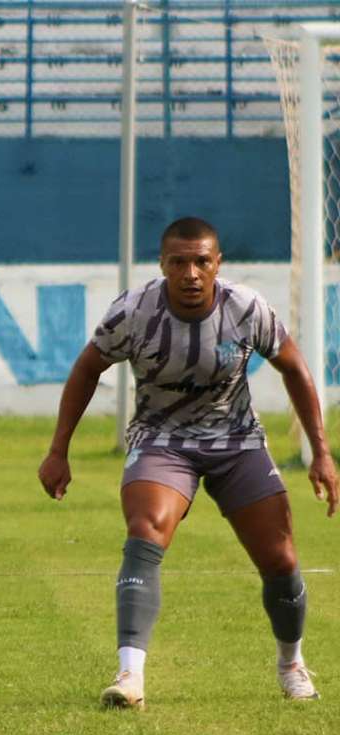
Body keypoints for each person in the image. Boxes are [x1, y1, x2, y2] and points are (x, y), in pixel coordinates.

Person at [38, 216, 338, 709]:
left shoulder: (246, 308)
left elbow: (294, 367)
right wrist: (58, 450)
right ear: (163, 265)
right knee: (146, 529)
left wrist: (321, 452)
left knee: (280, 558)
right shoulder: (133, 311)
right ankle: (129, 676)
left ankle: (291, 663)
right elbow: (87, 368)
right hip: (162, 441)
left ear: (217, 264)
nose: (191, 273)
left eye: (202, 261)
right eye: (179, 262)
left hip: (237, 441)